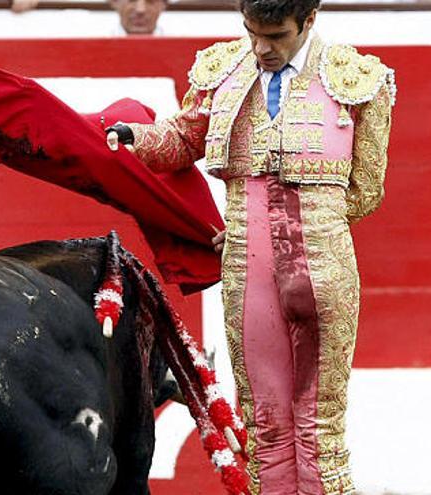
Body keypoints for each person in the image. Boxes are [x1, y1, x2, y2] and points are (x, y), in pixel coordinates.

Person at [106, 0, 395, 493]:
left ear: (310, 20)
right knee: (263, 422)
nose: (262, 48)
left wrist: (301, 224)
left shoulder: (357, 78)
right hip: (248, 266)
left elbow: (367, 189)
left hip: (324, 274)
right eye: (252, 33)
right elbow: (181, 140)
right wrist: (134, 136)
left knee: (320, 426)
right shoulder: (225, 71)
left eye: (277, 36)